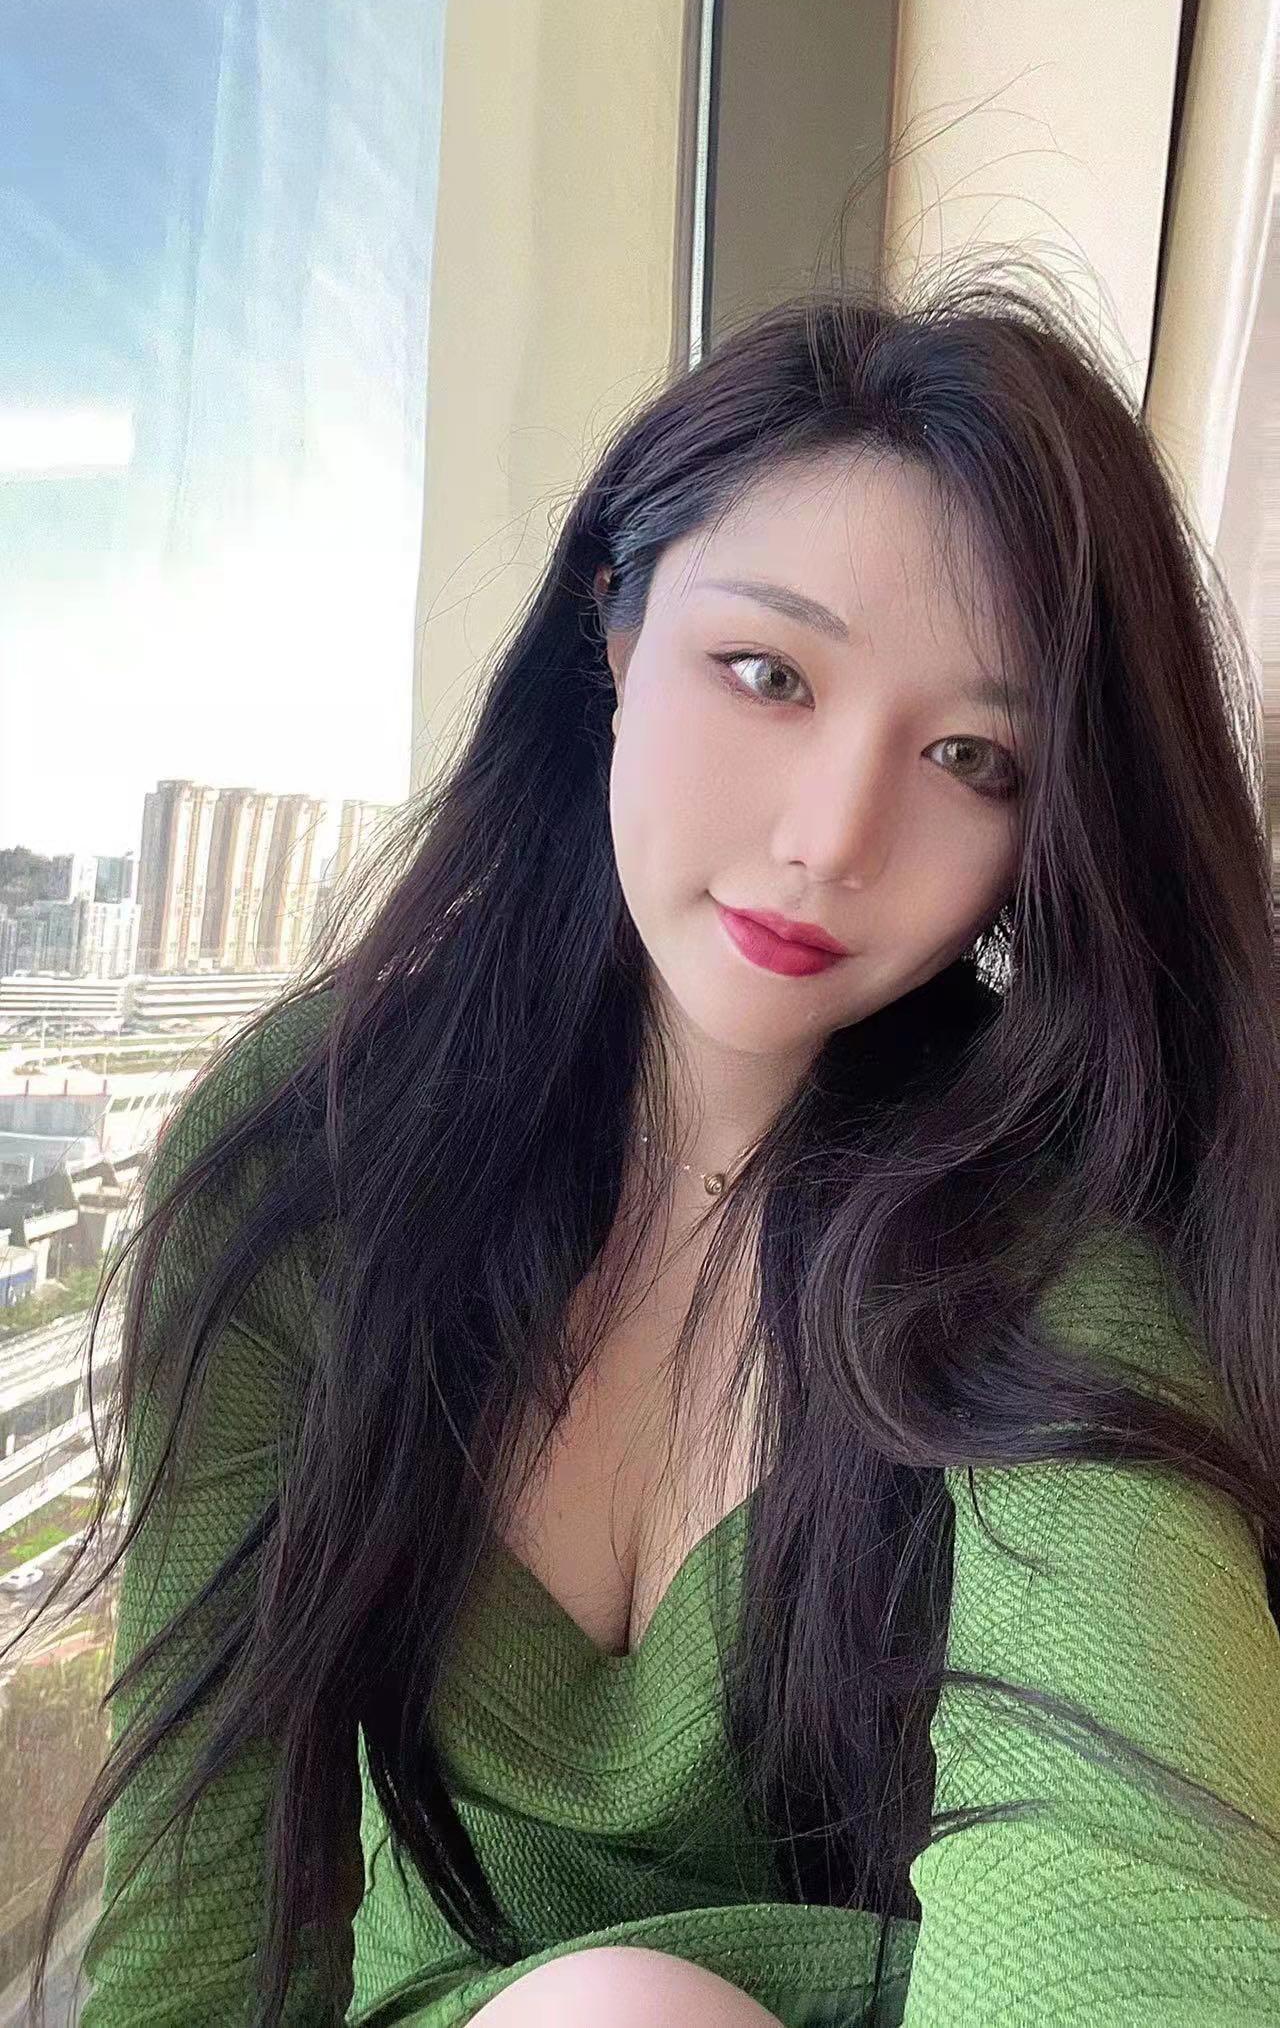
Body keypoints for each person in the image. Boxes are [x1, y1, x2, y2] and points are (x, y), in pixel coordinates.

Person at [25, 277, 1280, 2028]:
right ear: (612, 636)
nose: (833, 835)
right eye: (767, 674)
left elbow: (1126, 1875)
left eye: (972, 757)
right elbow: (201, 1915)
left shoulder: (1043, 1226)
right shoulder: (316, 1157)